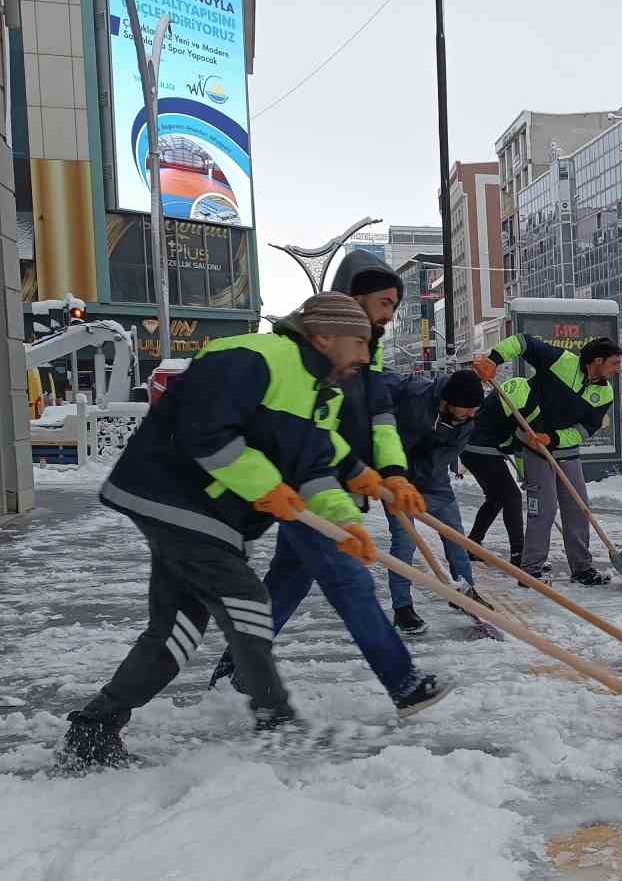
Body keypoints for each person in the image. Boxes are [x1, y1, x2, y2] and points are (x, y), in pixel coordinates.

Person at [60, 293, 380, 769]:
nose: (365, 356)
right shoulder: (252, 356)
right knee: (248, 603)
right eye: (359, 342)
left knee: (177, 632)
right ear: (326, 335)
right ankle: (276, 721)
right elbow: (204, 430)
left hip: (212, 518)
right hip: (177, 497)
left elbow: (312, 471)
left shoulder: (321, 393)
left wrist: (345, 521)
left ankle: (94, 730)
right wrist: (266, 485)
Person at [209, 255, 447, 716]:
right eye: (384, 303)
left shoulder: (368, 352)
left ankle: (233, 672)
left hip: (340, 481)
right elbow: (309, 423)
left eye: (394, 307)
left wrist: (394, 473)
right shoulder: (315, 350)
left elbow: (380, 416)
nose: (389, 316)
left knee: (284, 588)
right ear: (353, 299)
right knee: (349, 582)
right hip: (310, 483)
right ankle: (404, 684)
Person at [473, 335, 621, 586]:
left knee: (577, 507)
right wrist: (494, 360)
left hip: (564, 449)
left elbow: (586, 429)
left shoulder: (605, 393)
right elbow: (522, 342)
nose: (618, 369)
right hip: (533, 445)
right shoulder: (562, 361)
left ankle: (582, 568)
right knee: (544, 508)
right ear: (598, 360)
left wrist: (552, 438)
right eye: (615, 363)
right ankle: (530, 571)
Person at [385, 368, 488, 634]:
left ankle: (464, 592)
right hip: (397, 478)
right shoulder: (416, 396)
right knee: (404, 543)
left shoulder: (467, 421)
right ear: (448, 400)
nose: (471, 414)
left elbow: (444, 456)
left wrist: (422, 470)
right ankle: (403, 609)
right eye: (467, 408)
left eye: (475, 408)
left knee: (456, 537)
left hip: (434, 481)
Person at [459, 374, 533, 565]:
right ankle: (519, 555)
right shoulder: (529, 399)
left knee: (496, 498)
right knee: (512, 497)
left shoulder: (519, 385)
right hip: (482, 449)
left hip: (473, 447)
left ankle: (472, 544)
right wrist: (526, 476)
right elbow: (520, 440)